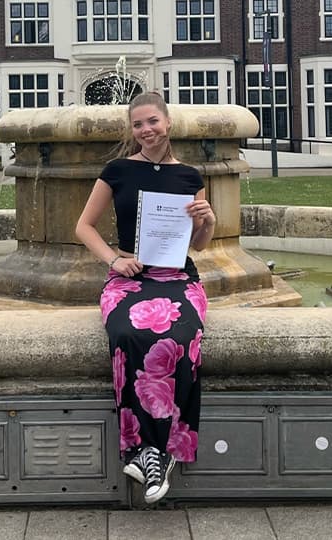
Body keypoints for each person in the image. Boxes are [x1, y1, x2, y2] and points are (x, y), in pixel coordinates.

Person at [75, 92, 216, 504]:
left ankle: (148, 453)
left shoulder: (190, 177)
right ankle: (154, 451)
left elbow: (201, 245)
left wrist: (207, 221)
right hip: (131, 276)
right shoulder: (117, 170)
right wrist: (113, 260)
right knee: (125, 334)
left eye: (152, 121)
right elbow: (84, 226)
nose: (146, 130)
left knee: (185, 337)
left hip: (177, 277)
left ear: (168, 123)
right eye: (137, 125)